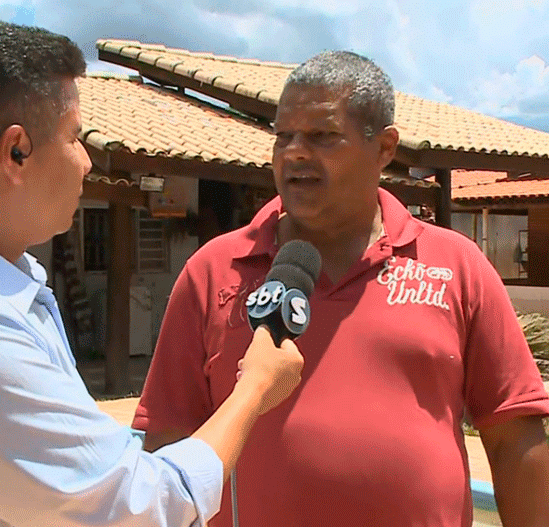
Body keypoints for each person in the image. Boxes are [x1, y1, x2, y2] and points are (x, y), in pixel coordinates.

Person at [0, 22, 305, 527]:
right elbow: (141, 508)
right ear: (16, 152)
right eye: (74, 138)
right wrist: (255, 388)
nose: (86, 162)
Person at [133, 50, 549, 527]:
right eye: (283, 137)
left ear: (385, 148)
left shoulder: (457, 267)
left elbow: (514, 435)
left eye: (322, 136)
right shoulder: (213, 271)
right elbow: (167, 437)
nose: (294, 153)